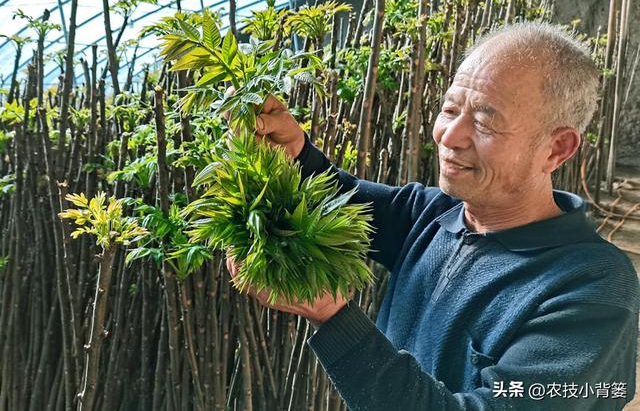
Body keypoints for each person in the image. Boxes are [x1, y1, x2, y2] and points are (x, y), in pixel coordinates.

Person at [226, 21, 639, 410]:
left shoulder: (593, 287)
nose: (450, 136)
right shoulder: (434, 215)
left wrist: (334, 318)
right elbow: (336, 193)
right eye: (450, 109)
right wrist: (295, 151)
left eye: (483, 122)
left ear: (557, 148)